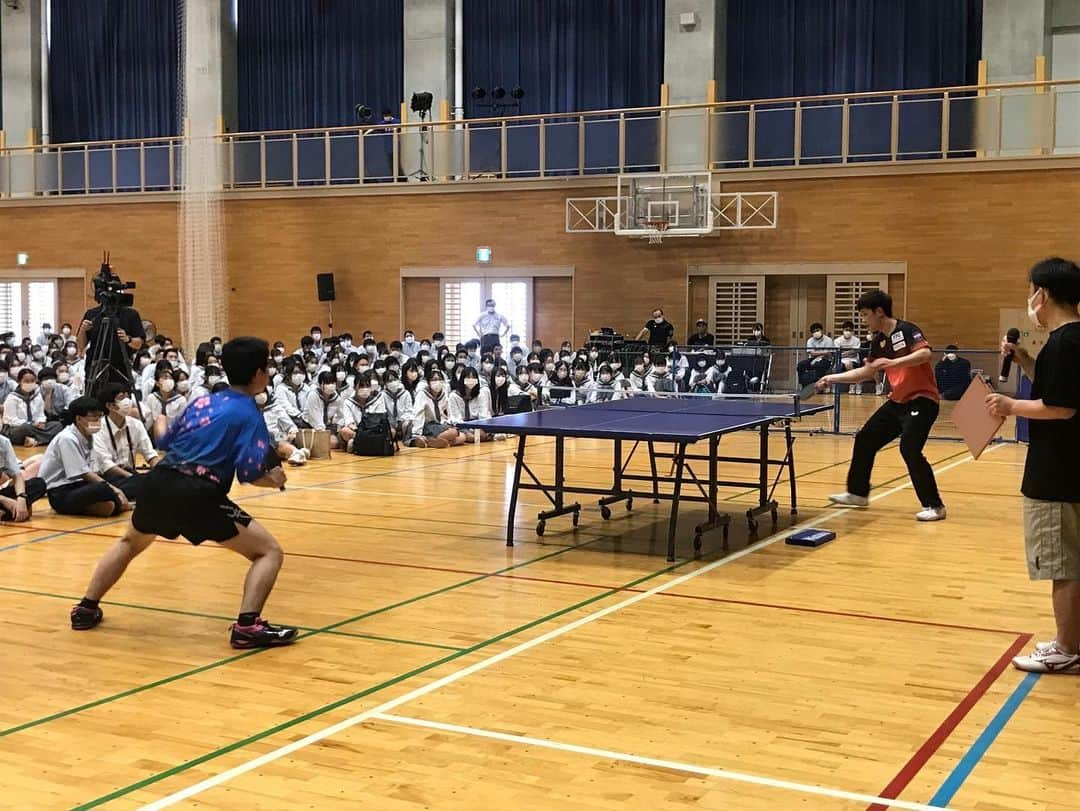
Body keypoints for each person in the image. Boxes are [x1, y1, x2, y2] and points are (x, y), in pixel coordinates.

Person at [68, 337, 297, 649]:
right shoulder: (249, 414)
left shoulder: (203, 402)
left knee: (130, 542)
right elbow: (249, 474)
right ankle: (247, 627)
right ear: (259, 373)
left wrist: (160, 423)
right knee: (269, 552)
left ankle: (86, 608)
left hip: (158, 481)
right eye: (267, 368)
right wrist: (275, 479)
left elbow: (164, 441)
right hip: (197, 493)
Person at [985, 258, 1080, 673]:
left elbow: (1060, 406)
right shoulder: (1071, 342)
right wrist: (1024, 359)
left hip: (1057, 473)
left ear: (1042, 294)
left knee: (1063, 564)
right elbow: (1056, 385)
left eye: (1031, 292)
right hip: (1069, 467)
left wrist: (1009, 405)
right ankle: (1071, 640)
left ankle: (1067, 649)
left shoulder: (1064, 342)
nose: (1030, 301)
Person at [816, 289, 946, 522]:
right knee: (865, 438)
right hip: (898, 401)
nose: (863, 321)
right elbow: (866, 372)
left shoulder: (907, 330)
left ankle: (934, 506)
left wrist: (894, 361)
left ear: (879, 312)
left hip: (923, 400)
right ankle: (857, 493)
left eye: (866, 315)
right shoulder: (878, 342)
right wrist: (832, 378)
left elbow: (925, 354)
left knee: (909, 449)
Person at [39, 396, 131, 517]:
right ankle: (116, 503)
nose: (98, 420)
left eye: (100, 416)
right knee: (103, 488)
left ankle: (108, 505)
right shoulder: (67, 438)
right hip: (61, 491)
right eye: (93, 417)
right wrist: (114, 490)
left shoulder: (88, 436)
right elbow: (84, 473)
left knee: (124, 482)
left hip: (80, 485)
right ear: (78, 418)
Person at [93, 383, 160, 499]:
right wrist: (132, 477)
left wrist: (161, 471)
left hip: (130, 475)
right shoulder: (98, 428)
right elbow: (106, 465)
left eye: (128, 396)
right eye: (121, 397)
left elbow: (150, 454)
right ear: (110, 405)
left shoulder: (136, 424)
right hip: (109, 477)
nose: (127, 401)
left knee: (159, 481)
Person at [77, 295, 145, 393]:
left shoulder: (130, 314)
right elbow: (80, 346)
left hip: (121, 367)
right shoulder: (92, 314)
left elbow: (139, 344)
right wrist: (83, 330)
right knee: (93, 403)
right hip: (96, 367)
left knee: (122, 403)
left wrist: (128, 339)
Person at [3, 368, 63, 447]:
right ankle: (41, 439)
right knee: (26, 428)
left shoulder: (37, 396)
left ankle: (34, 440)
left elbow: (41, 414)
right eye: (26, 381)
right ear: (19, 382)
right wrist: (31, 424)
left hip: (35, 427)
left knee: (57, 425)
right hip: (17, 429)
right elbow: (11, 420)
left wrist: (40, 422)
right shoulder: (12, 398)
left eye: (32, 381)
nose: (30, 383)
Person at [0, 431, 46, 521]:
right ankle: (9, 512)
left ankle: (9, 512)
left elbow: (17, 476)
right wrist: (3, 500)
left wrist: (21, 497)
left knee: (38, 484)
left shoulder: (4, 442)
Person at [833, 320, 863, 394]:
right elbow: (837, 353)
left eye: (850, 330)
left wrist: (843, 353)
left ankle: (852, 385)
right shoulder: (837, 341)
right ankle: (835, 387)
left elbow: (854, 352)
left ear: (852, 331)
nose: (848, 332)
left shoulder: (856, 340)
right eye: (846, 330)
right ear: (843, 330)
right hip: (841, 360)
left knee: (849, 364)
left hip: (854, 360)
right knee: (835, 368)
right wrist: (849, 352)